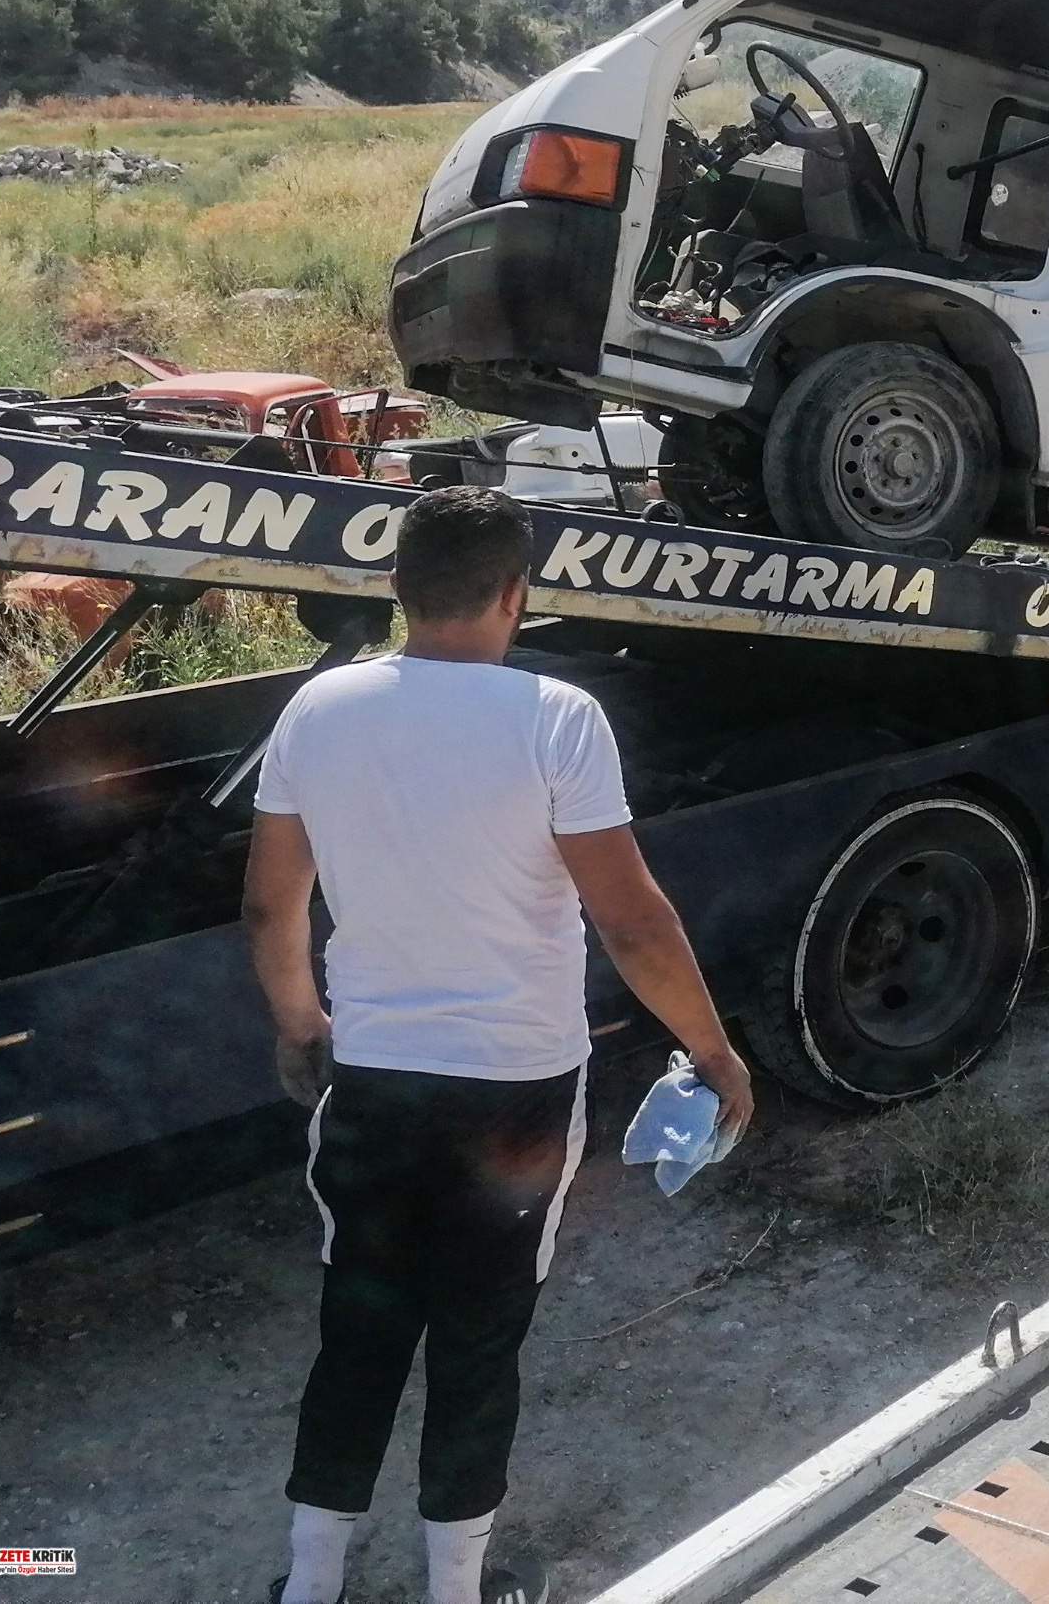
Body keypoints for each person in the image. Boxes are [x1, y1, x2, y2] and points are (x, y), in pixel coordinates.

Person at [242, 486, 756, 1604]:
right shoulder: (557, 717)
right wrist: (714, 1053)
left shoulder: (319, 711)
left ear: (398, 590)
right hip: (516, 1094)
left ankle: (309, 1584)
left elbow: (272, 907)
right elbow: (631, 921)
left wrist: (300, 1023)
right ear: (516, 594)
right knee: (479, 1340)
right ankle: (456, 1590)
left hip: (372, 1078)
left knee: (358, 1324)